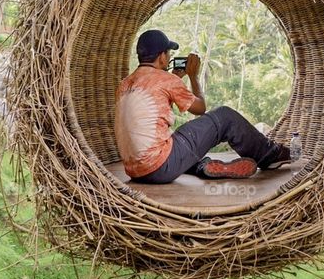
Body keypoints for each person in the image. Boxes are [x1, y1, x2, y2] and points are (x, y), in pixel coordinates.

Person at [115, 29, 291, 183]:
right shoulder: (166, 80)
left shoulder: (124, 85)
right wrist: (193, 76)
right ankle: (270, 155)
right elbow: (200, 109)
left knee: (175, 141)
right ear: (162, 56)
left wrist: (176, 80)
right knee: (225, 116)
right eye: (168, 54)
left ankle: (202, 166)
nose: (169, 59)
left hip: (136, 171)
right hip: (161, 167)